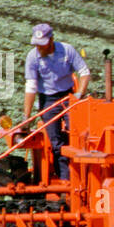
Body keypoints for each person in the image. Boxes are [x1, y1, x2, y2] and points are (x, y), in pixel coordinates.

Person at [22, 23, 90, 180]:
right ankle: (64, 178)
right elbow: (31, 86)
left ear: (51, 40)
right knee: (55, 141)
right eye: (37, 45)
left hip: (68, 97)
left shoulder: (67, 50)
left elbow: (84, 72)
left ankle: (81, 175)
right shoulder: (33, 57)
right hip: (48, 100)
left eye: (42, 44)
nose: (39, 48)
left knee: (77, 135)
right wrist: (26, 116)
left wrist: (79, 94)